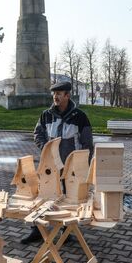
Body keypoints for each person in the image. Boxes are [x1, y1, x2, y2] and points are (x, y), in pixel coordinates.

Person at [21, 81, 94, 244]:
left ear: (67, 95)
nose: (55, 97)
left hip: (71, 169)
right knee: (43, 197)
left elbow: (87, 143)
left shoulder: (80, 117)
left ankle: (66, 232)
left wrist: (84, 167)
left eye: (59, 94)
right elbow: (38, 133)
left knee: (70, 200)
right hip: (50, 167)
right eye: (54, 94)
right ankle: (37, 230)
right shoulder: (46, 115)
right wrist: (45, 149)